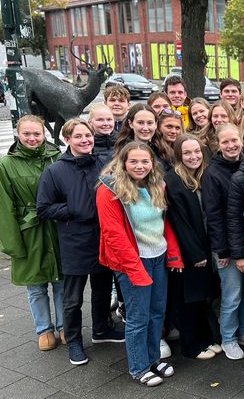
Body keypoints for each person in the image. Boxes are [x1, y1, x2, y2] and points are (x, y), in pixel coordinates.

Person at [37, 119, 124, 366]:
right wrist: (74, 210)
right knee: (73, 297)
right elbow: (43, 208)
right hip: (74, 240)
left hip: (102, 237)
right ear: (68, 140)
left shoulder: (103, 164)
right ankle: (74, 340)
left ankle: (101, 329)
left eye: (88, 135)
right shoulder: (55, 171)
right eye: (79, 137)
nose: (85, 140)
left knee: (102, 289)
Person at [97, 141, 184, 386]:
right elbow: (113, 235)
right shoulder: (109, 190)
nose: (140, 166)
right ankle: (138, 367)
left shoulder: (157, 184)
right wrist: (136, 271)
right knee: (138, 317)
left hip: (158, 256)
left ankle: (153, 359)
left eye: (145, 161)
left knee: (157, 313)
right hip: (133, 261)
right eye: (133, 161)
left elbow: (163, 222)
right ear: (123, 163)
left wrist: (173, 254)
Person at [0, 115, 63, 352]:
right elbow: (4, 207)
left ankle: (65, 325)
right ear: (18, 134)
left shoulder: (56, 156)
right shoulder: (7, 164)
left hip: (56, 227)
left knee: (62, 281)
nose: (32, 138)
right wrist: (12, 242)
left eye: (37, 133)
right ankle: (44, 329)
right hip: (30, 231)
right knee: (35, 286)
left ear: (44, 134)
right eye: (27, 134)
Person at [202, 123, 244, 360]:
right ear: (218, 144)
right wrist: (224, 251)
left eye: (234, 140)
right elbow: (213, 216)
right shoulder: (212, 173)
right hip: (225, 246)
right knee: (232, 293)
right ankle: (228, 337)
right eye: (225, 142)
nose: (231, 145)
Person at [164, 134, 220, 360]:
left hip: (204, 246)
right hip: (189, 252)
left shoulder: (201, 176)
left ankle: (204, 339)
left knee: (201, 297)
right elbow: (180, 223)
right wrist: (195, 253)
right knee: (187, 299)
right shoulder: (173, 181)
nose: (193, 156)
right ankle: (191, 346)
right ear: (178, 156)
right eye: (187, 153)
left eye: (196, 151)